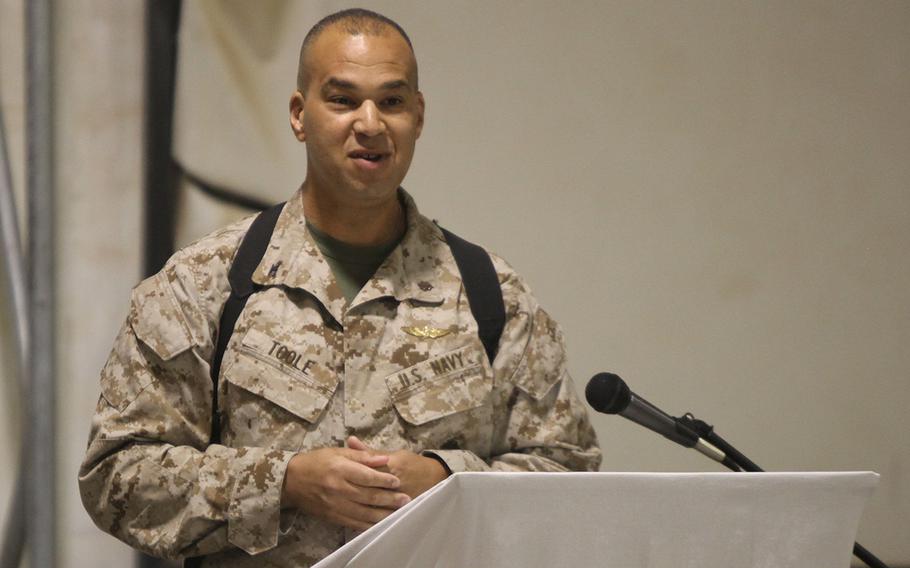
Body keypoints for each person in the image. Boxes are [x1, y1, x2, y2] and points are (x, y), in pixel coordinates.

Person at [79, 8, 601, 566]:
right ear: (300, 115)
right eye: (343, 99)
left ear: (417, 117)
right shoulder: (204, 285)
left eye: (393, 102)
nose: (371, 123)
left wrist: (449, 481)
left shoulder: (490, 295)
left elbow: (569, 473)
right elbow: (117, 477)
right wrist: (283, 482)